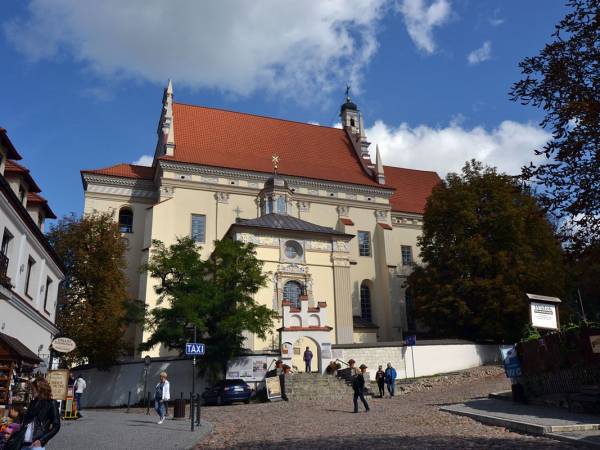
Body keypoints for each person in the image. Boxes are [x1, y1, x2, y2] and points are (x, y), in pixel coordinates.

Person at [10, 378, 60, 450]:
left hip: (36, 444)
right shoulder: (33, 403)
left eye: (33, 389)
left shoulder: (51, 403)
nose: (31, 391)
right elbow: (28, 420)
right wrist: (19, 415)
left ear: (39, 389)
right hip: (24, 442)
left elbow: (56, 426)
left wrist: (42, 440)